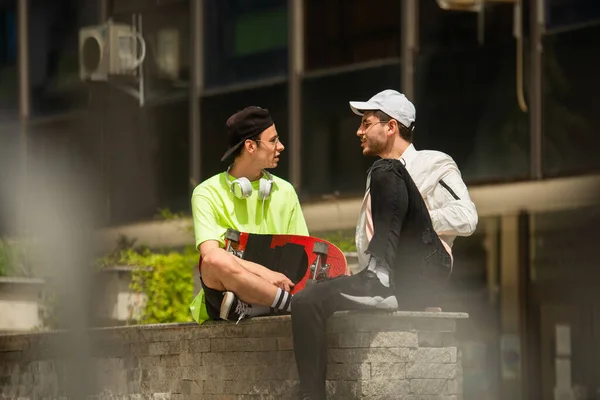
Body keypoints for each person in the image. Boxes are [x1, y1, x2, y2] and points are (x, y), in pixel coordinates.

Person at [291, 89, 478, 400]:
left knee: (387, 168)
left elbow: (467, 217)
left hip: (425, 267)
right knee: (306, 301)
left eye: (366, 123)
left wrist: (409, 216)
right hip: (387, 282)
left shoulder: (433, 163)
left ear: (391, 126)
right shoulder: (378, 181)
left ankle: (378, 279)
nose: (359, 131)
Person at [191, 106, 309, 324]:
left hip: (279, 287)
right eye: (273, 140)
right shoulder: (205, 193)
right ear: (250, 146)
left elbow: (302, 251)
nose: (281, 146)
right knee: (213, 259)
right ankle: (289, 305)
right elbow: (210, 256)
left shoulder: (285, 191)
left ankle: (253, 307)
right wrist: (265, 274)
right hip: (229, 289)